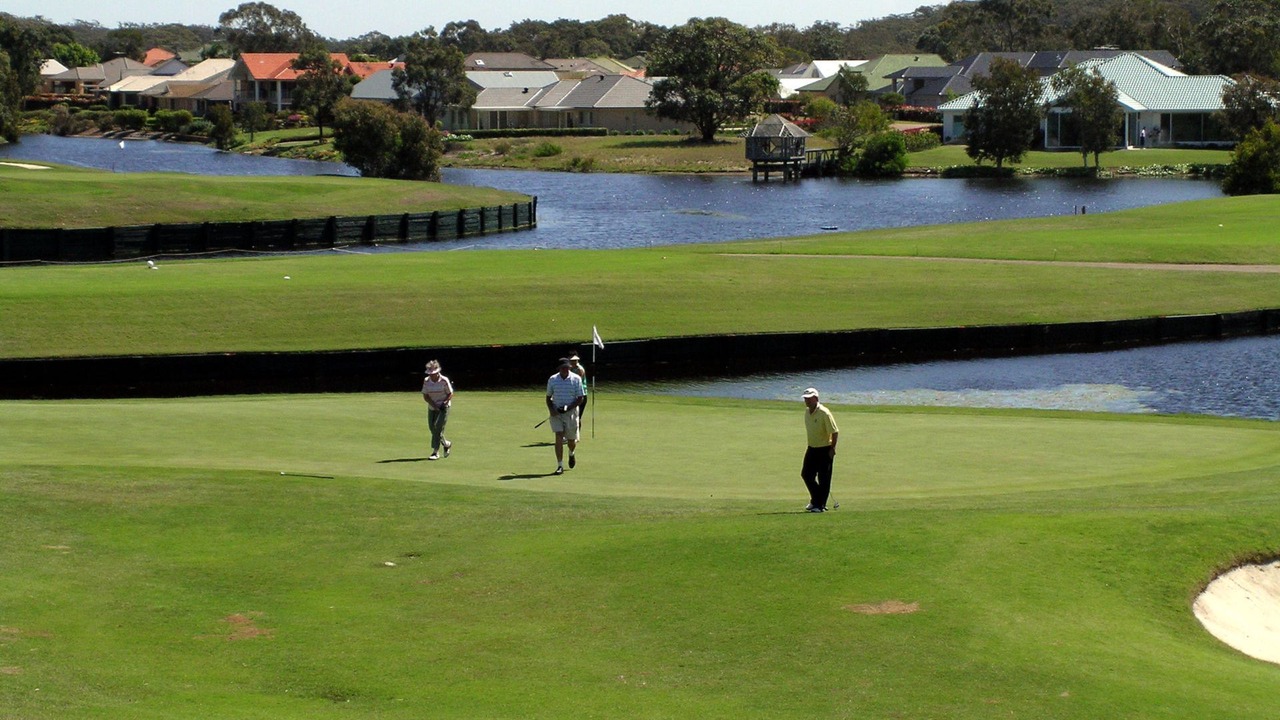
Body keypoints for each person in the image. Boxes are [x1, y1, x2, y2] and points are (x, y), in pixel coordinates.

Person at [800, 387, 839, 512]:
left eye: (809, 398)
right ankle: (816, 500)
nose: (807, 401)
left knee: (824, 479)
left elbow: (834, 431)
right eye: (805, 399)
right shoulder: (807, 412)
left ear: (816, 398)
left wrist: (832, 448)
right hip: (812, 448)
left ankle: (820, 505)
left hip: (824, 449)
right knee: (806, 474)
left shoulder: (824, 413)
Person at [546, 357, 586, 475]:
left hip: (571, 413)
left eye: (567, 367)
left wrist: (568, 407)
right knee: (558, 436)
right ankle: (560, 465)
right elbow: (548, 398)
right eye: (563, 368)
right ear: (559, 368)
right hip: (557, 414)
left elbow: (580, 398)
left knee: (571, 440)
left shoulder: (576, 379)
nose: (565, 370)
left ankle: (571, 453)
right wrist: (552, 410)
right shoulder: (553, 379)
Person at [422, 360, 453, 460]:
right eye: (430, 374)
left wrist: (444, 403)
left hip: (444, 407)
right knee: (432, 428)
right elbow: (426, 396)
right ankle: (446, 444)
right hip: (432, 407)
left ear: (437, 372)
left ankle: (435, 452)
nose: (431, 375)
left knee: (438, 428)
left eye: (433, 374)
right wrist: (434, 405)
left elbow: (450, 393)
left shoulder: (444, 380)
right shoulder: (426, 381)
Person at [567, 352, 588, 432]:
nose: (573, 362)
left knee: (578, 416)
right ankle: (569, 433)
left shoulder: (579, 369)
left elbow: (577, 382)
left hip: (581, 395)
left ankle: (576, 434)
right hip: (573, 395)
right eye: (572, 360)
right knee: (570, 415)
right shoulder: (569, 369)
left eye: (575, 361)